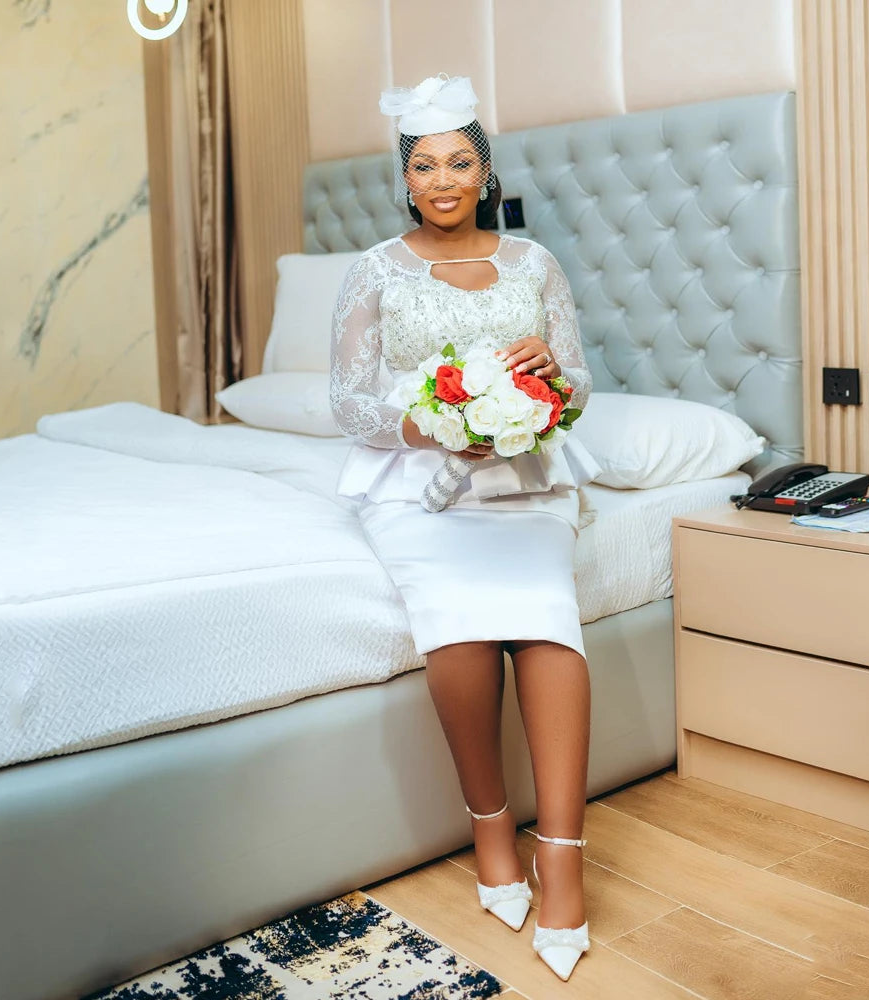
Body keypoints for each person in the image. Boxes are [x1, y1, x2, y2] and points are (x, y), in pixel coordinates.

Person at [330, 74, 598, 982]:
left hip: (527, 482)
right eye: (423, 165)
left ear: (485, 171)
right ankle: (491, 828)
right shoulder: (372, 270)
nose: (441, 180)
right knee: (460, 636)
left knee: (549, 628)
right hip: (419, 489)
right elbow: (346, 397)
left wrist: (546, 381)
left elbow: (579, 383)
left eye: (459, 162)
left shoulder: (536, 264)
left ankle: (561, 852)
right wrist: (427, 422)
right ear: (404, 179)